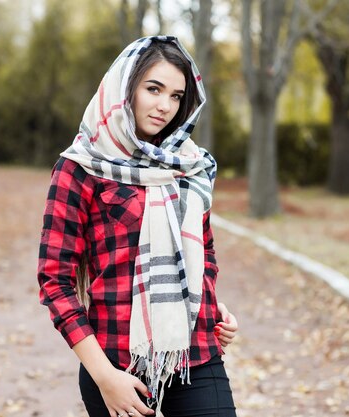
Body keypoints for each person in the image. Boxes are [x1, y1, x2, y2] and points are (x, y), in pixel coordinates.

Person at [38, 36, 238, 417]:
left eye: (177, 96)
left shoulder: (189, 165)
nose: (165, 106)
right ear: (125, 87)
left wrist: (211, 306)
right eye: (154, 89)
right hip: (116, 363)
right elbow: (54, 282)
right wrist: (104, 376)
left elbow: (204, 253)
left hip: (195, 353)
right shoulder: (80, 166)